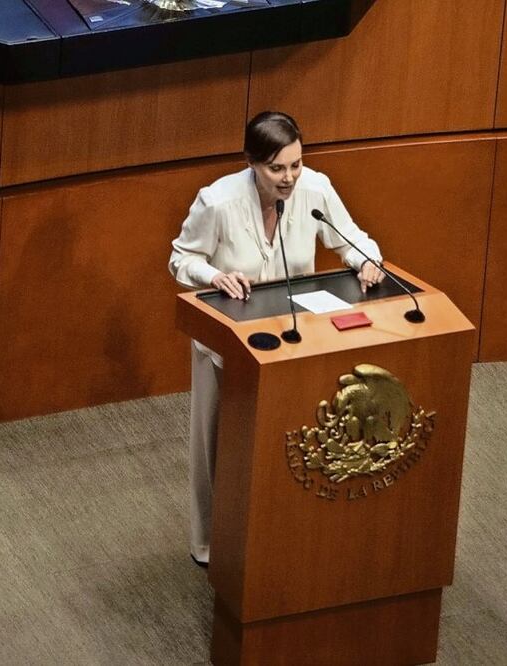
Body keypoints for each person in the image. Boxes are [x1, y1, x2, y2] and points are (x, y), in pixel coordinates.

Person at [168, 111, 386, 568]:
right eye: (277, 168)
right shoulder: (218, 202)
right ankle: (209, 545)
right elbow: (181, 258)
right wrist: (214, 274)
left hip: (295, 337)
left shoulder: (316, 189)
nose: (288, 178)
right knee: (217, 444)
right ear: (251, 163)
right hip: (228, 340)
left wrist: (365, 261)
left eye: (295, 165)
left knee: (291, 439)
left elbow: (353, 240)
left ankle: (282, 535)